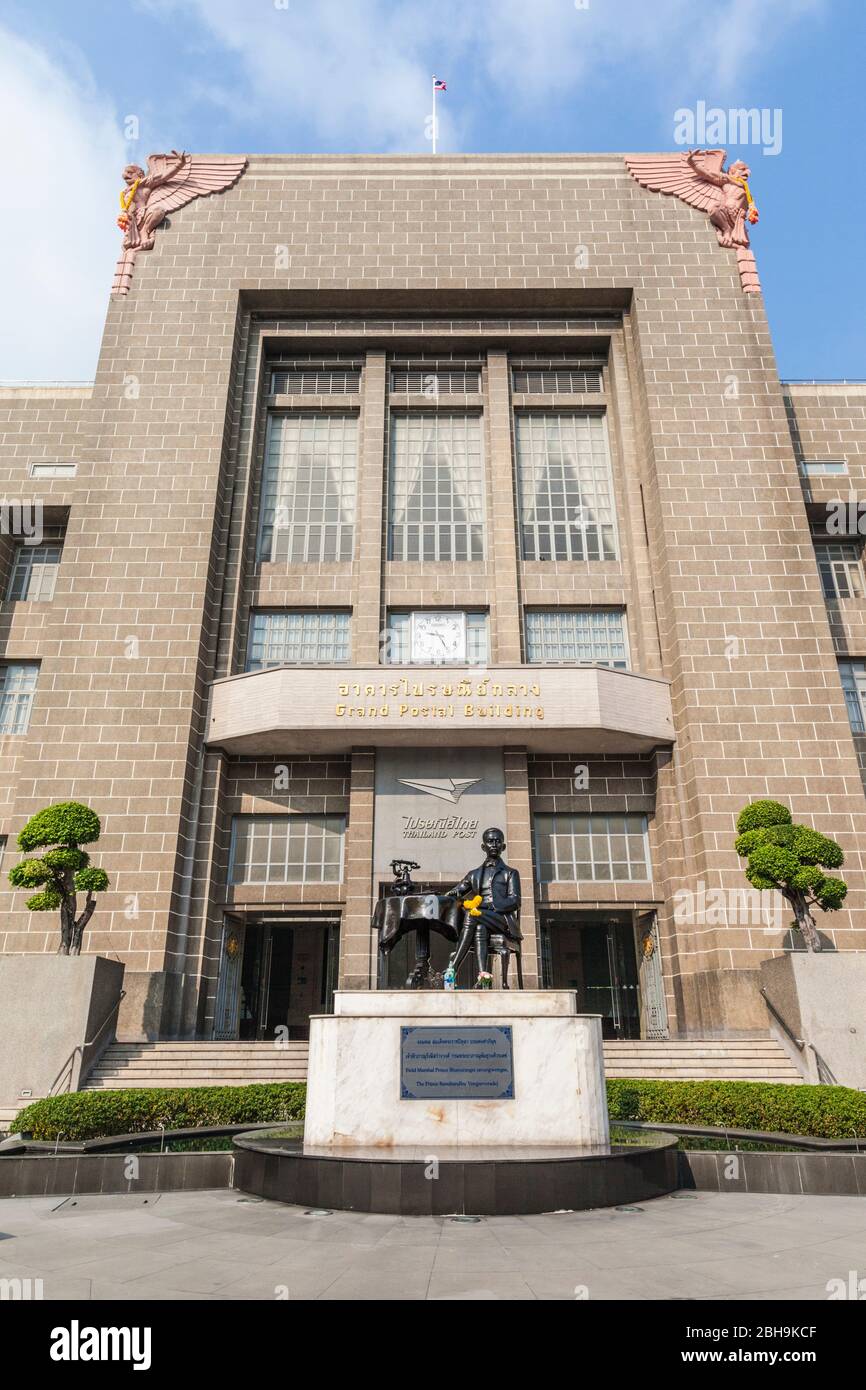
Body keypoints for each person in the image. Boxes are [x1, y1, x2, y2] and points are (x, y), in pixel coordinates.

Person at [444, 827, 522, 986]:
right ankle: (483, 978)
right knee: (479, 928)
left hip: (502, 920)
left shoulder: (511, 873)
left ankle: (453, 966)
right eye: (490, 841)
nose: (494, 844)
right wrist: (441, 897)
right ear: (483, 847)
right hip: (481, 919)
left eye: (497, 841)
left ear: (503, 846)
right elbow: (456, 892)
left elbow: (515, 901)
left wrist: (491, 905)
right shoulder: (474, 874)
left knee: (472, 914)